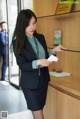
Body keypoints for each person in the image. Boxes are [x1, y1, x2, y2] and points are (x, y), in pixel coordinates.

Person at [12, 9, 66, 119]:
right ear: (22, 25)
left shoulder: (40, 37)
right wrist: (37, 62)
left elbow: (45, 56)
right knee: (38, 115)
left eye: (34, 23)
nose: (32, 27)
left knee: (40, 110)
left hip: (43, 81)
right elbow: (22, 65)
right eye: (29, 24)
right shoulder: (17, 42)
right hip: (30, 85)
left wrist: (54, 50)